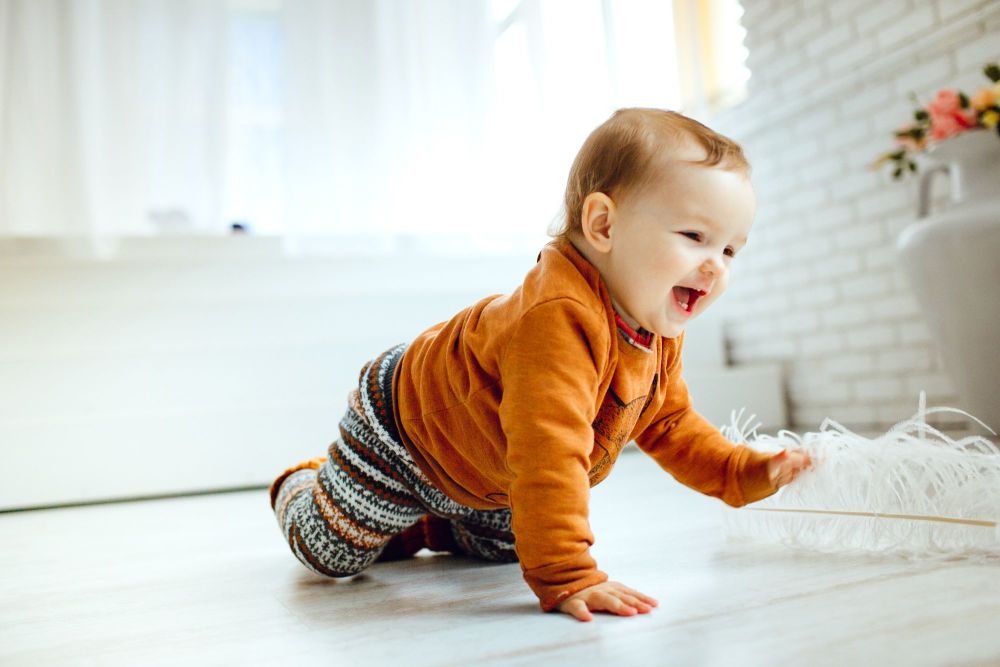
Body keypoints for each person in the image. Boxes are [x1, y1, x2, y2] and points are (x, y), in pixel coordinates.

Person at [269, 108, 813, 622]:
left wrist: (741, 472)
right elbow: (548, 452)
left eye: (730, 251)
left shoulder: (653, 331)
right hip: (405, 430)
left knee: (502, 547)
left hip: (484, 470)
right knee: (333, 552)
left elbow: (668, 425)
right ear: (603, 225)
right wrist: (570, 576)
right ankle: (303, 484)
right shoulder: (557, 318)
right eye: (695, 237)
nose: (714, 266)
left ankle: (426, 525)